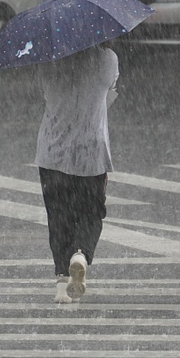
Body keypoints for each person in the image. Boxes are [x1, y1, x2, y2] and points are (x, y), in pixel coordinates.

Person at [35, 42, 119, 303]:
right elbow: (110, 92)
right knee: (91, 210)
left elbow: (47, 95)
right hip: (90, 150)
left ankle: (62, 282)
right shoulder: (107, 60)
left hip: (53, 151)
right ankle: (80, 254)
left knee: (58, 215)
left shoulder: (48, 61)